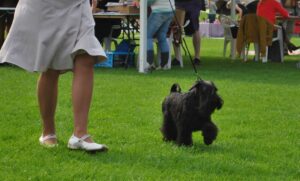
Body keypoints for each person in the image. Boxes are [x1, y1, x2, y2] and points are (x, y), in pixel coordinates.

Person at [0, 0, 108, 152]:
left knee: (86, 56)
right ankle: (48, 131)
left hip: (78, 4)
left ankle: (80, 134)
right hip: (46, 5)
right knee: (50, 66)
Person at [172, 0, 206, 66]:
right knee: (194, 28)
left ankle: (178, 58)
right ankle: (196, 58)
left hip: (188, 3)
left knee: (178, 27)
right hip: (192, 3)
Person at [146, 0, 175, 71]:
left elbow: (150, 1)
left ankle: (149, 63)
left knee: (147, 36)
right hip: (170, 10)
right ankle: (163, 64)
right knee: (162, 36)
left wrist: (142, 3)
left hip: (159, 11)